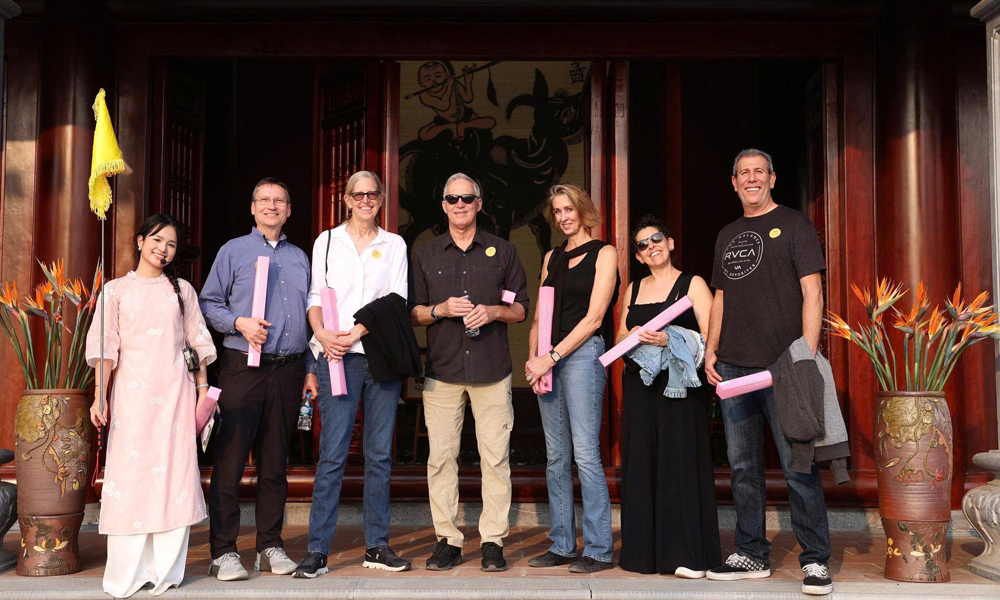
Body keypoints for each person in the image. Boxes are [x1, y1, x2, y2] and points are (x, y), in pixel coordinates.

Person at [704, 149, 832, 596]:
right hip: (733, 364)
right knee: (742, 466)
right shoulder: (726, 234)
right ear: (734, 182)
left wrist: (806, 354)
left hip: (784, 364)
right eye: (744, 173)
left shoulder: (795, 225)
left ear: (772, 178)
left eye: (759, 171)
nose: (752, 178)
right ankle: (752, 553)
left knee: (799, 465)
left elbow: (813, 292)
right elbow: (720, 298)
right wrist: (711, 350)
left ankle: (815, 559)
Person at [86, 214, 217, 597]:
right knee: (131, 476)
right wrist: (99, 395)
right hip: (132, 396)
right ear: (140, 240)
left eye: (171, 245)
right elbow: (106, 348)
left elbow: (197, 345)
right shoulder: (115, 290)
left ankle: (164, 571)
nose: (164, 249)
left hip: (176, 396)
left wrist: (203, 393)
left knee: (173, 475)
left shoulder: (182, 291)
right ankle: (127, 573)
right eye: (158, 240)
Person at [294, 171, 415, 578]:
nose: (365, 200)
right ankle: (317, 550)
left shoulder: (394, 244)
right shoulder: (327, 241)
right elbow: (315, 295)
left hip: (379, 356)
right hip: (335, 357)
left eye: (372, 194)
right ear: (346, 199)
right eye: (358, 194)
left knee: (379, 455)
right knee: (332, 454)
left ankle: (377, 545)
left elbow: (397, 299)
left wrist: (358, 331)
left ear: (381, 199)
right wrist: (323, 335)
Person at [409, 172, 529, 572]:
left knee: (495, 459)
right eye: (452, 198)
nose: (459, 204)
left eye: (466, 198)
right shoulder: (425, 254)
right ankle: (448, 540)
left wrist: (493, 311)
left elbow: (520, 309)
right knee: (441, 459)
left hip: (492, 369)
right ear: (443, 206)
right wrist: (440, 309)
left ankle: (493, 540)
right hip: (442, 370)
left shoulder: (503, 251)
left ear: (479, 203)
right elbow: (414, 312)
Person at [199, 177, 317, 581]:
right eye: (264, 199)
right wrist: (239, 322)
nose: (272, 206)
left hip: (288, 369)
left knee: (275, 462)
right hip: (242, 367)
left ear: (289, 210)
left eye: (279, 200)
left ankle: (270, 545)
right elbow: (208, 303)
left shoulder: (301, 258)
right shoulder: (233, 250)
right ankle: (223, 551)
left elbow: (310, 319)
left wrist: (310, 370)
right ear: (252, 207)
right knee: (230, 460)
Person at [613, 214, 720, 577]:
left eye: (656, 239)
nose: (651, 247)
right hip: (640, 386)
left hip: (680, 388)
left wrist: (669, 338)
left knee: (680, 464)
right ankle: (643, 555)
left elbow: (711, 338)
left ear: (670, 243)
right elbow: (618, 338)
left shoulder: (693, 284)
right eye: (642, 244)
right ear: (638, 255)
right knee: (643, 464)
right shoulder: (633, 289)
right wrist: (633, 336)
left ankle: (686, 555)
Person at [524, 184, 618, 574]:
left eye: (569, 209)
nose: (563, 217)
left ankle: (598, 550)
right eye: (557, 211)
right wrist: (533, 358)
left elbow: (595, 318)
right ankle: (562, 545)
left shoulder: (605, 253)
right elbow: (538, 316)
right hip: (547, 359)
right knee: (556, 457)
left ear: (582, 210)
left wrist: (552, 356)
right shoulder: (552, 257)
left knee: (585, 455)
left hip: (581, 356)